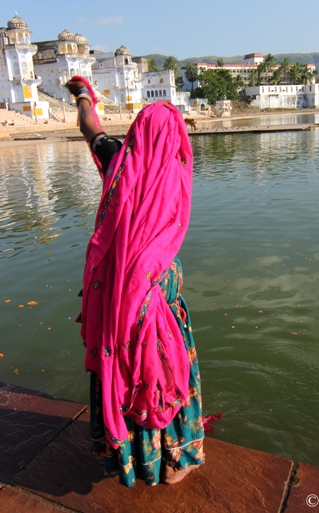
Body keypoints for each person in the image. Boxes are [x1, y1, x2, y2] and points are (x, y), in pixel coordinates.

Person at [66, 77, 204, 487]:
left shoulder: (117, 162)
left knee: (129, 367)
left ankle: (132, 460)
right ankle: (175, 459)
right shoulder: (178, 171)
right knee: (161, 367)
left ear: (137, 133)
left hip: (120, 292)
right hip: (159, 285)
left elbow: (89, 126)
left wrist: (84, 95)